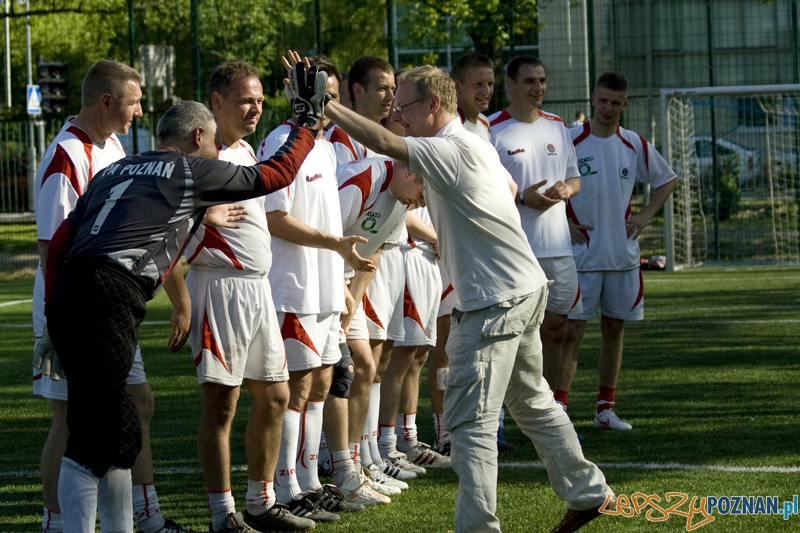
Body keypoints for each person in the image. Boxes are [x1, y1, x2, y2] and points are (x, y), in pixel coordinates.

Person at [321, 59, 614, 533]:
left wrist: (325, 105)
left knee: (471, 424)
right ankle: (588, 491)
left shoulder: (449, 149)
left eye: (406, 105)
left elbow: (384, 142)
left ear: (433, 105)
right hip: (520, 290)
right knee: (533, 402)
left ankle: (478, 527)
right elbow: (507, 187)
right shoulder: (473, 144)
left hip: (493, 302)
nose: (399, 113)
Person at [37, 68, 321, 532]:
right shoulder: (191, 168)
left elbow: (62, 242)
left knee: (119, 431)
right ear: (198, 137)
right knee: (97, 439)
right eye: (212, 149)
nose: (217, 160)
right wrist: (307, 123)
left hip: (74, 290)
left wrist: (52, 314)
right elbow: (276, 173)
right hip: (108, 294)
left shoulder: (116, 168)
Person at [31, 59, 194, 533]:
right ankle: (57, 524)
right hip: (73, 308)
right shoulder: (67, 156)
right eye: (134, 101)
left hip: (109, 306)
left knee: (137, 404)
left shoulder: (114, 147)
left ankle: (145, 517)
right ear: (106, 101)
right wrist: (54, 323)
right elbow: (52, 247)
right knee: (70, 420)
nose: (140, 112)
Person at [181, 60, 318, 533]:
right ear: (217, 102)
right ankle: (223, 516)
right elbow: (165, 217)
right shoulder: (198, 154)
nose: (256, 106)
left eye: (261, 99)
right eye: (246, 99)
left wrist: (306, 121)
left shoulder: (243, 150)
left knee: (277, 396)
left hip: (258, 288)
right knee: (222, 403)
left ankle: (261, 503)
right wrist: (200, 220)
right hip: (218, 287)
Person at [259, 55, 374, 520]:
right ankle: (285, 487)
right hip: (294, 288)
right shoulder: (282, 141)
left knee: (324, 382)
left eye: (332, 94)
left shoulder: (326, 148)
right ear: (297, 94)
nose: (327, 104)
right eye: (318, 94)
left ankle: (307, 481)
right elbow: (274, 217)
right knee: (298, 388)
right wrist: (335, 248)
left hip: (326, 290)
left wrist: (342, 283)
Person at [559, 72, 678, 431]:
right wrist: (564, 221)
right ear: (593, 99)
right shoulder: (569, 140)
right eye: (603, 100)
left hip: (622, 256)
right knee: (571, 333)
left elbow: (667, 179)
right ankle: (559, 411)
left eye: (616, 103)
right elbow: (547, 182)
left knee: (614, 329)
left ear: (625, 105)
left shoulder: (635, 145)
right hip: (581, 257)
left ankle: (605, 409)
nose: (608, 108)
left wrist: (644, 215)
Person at [489, 56, 582, 396]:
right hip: (514, 250)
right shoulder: (491, 128)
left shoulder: (557, 126)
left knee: (557, 330)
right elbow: (480, 188)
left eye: (542, 80)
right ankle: (498, 418)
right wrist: (521, 198)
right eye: (529, 81)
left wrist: (565, 189)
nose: (538, 87)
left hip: (558, 248)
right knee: (506, 335)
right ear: (510, 85)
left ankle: (555, 411)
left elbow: (574, 178)